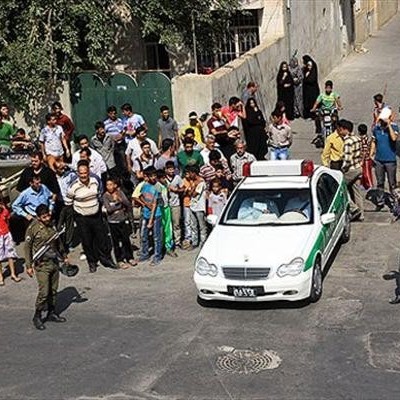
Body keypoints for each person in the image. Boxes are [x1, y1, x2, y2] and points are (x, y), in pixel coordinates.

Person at [65, 160, 117, 272]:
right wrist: (76, 217)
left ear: (89, 172)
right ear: (78, 173)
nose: (83, 175)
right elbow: (68, 203)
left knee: (102, 239)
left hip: (96, 215)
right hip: (82, 217)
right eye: (81, 173)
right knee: (87, 241)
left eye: (85, 173)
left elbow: (99, 195)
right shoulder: (73, 186)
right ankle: (92, 262)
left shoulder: (95, 181)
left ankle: (106, 260)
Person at [25, 204, 68, 330]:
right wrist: (28, 266)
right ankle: (37, 316)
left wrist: (64, 256)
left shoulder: (52, 225)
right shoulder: (33, 228)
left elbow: (58, 242)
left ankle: (51, 312)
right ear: (38, 217)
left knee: (53, 291)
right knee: (44, 292)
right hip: (41, 264)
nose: (47, 218)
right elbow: (27, 248)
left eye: (48, 215)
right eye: (44, 217)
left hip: (54, 262)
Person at [102, 178, 136, 269]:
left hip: (122, 220)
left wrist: (120, 200)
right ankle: (119, 260)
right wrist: (118, 205)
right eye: (107, 185)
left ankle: (129, 257)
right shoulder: (105, 196)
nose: (109, 187)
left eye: (111, 184)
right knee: (116, 242)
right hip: (112, 222)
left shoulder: (120, 193)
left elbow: (127, 204)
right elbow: (109, 209)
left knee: (126, 240)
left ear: (115, 185)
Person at [11, 174, 55, 243]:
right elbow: (15, 205)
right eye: (37, 183)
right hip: (35, 218)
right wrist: (25, 215)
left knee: (51, 233)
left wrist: (51, 208)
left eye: (40, 182)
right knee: (40, 237)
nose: (39, 185)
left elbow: (50, 197)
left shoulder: (43, 187)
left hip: (47, 215)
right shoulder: (25, 194)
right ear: (31, 183)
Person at [370, 107, 399, 209]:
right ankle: (380, 201)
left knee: (392, 183)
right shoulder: (376, 129)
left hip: (390, 160)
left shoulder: (394, 127)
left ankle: (395, 202)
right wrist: (371, 154)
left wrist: (389, 125)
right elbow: (374, 142)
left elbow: (394, 138)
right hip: (379, 160)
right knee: (380, 182)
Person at [136, 166, 163, 265]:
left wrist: (151, 221)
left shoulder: (157, 187)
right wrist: (145, 204)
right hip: (145, 213)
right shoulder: (144, 185)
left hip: (156, 215)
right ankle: (145, 254)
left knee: (156, 237)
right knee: (144, 235)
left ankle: (157, 256)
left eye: (154, 175)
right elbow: (140, 196)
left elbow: (155, 205)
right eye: (151, 176)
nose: (153, 178)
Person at [340, 119, 364, 221]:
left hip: (351, 169)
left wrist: (342, 170)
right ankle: (361, 214)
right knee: (357, 192)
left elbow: (347, 160)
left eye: (340, 129)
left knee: (341, 187)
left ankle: (354, 208)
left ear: (345, 129)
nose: (339, 131)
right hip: (358, 167)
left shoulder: (348, 142)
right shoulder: (357, 138)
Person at [156, 169, 177, 257]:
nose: (164, 179)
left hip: (166, 208)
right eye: (162, 178)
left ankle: (168, 247)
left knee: (168, 228)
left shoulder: (165, 184)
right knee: (160, 229)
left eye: (164, 177)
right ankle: (160, 248)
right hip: (159, 210)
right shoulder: (157, 186)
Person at [0, 196, 21, 286]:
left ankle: (13, 274)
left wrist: (4, 209)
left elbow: (8, 219)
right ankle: (0, 277)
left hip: (6, 233)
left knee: (10, 254)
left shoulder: (4, 211)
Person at [165, 161, 184, 249]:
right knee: (167, 224)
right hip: (166, 205)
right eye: (169, 169)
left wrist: (176, 190)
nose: (171, 171)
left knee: (176, 223)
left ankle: (177, 241)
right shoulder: (163, 179)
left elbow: (183, 188)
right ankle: (168, 241)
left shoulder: (177, 178)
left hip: (176, 204)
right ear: (166, 170)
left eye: (173, 169)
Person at [188, 165, 207, 249]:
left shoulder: (201, 182)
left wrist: (194, 186)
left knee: (202, 226)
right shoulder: (194, 182)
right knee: (193, 225)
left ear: (194, 173)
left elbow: (194, 194)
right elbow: (190, 193)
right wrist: (193, 186)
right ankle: (194, 242)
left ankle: (203, 243)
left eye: (190, 173)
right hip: (192, 205)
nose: (189, 175)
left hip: (199, 207)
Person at [104, 105, 126, 172]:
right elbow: (105, 134)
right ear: (108, 114)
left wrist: (122, 135)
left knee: (122, 160)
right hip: (111, 145)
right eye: (111, 114)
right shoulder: (105, 123)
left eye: (114, 113)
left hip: (120, 144)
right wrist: (112, 138)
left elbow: (124, 130)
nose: (113, 115)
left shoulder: (120, 121)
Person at [302, 55, 320, 119]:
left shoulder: (313, 71)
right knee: (307, 102)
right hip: (307, 90)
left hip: (312, 89)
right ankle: (308, 114)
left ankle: (313, 114)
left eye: (310, 66)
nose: (309, 67)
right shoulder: (305, 70)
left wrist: (306, 79)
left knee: (312, 102)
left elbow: (312, 80)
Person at [358, 123, 373, 190]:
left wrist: (362, 160)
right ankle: (364, 184)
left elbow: (364, 151)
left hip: (365, 159)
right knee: (364, 172)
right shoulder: (367, 137)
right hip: (367, 158)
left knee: (366, 172)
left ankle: (369, 185)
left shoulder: (363, 139)